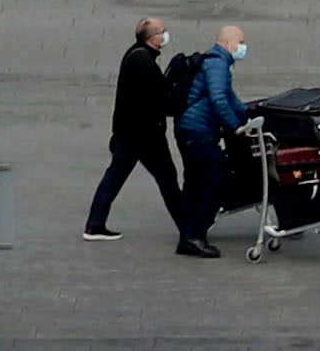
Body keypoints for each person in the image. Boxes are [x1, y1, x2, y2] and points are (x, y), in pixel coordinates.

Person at [84, 15, 198, 250]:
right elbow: (157, 99)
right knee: (167, 179)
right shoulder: (143, 62)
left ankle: (95, 225)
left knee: (115, 176)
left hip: (129, 133)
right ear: (152, 38)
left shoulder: (136, 55)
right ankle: (189, 230)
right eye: (162, 32)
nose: (165, 35)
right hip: (145, 135)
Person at [169, 23, 253, 262]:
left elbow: (230, 97)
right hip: (199, 132)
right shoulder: (217, 64)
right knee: (217, 180)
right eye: (241, 42)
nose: (243, 47)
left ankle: (188, 236)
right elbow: (219, 99)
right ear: (227, 43)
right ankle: (196, 236)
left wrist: (247, 114)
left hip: (187, 129)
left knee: (194, 182)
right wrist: (236, 126)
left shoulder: (215, 62)